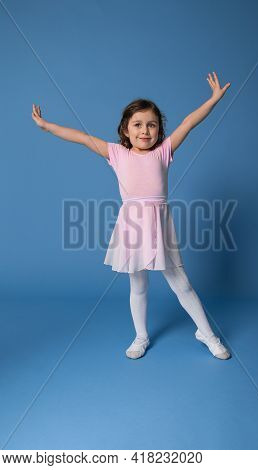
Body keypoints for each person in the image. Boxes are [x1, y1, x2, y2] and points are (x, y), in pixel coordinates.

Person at [32, 71, 232, 361]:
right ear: (125, 129)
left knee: (181, 282)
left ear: (159, 131)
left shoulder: (163, 152)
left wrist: (212, 100)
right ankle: (141, 336)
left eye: (152, 125)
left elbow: (189, 122)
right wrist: (47, 126)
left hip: (159, 225)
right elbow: (82, 138)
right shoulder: (115, 153)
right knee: (138, 283)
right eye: (137, 125)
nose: (145, 131)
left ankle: (207, 333)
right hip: (132, 225)